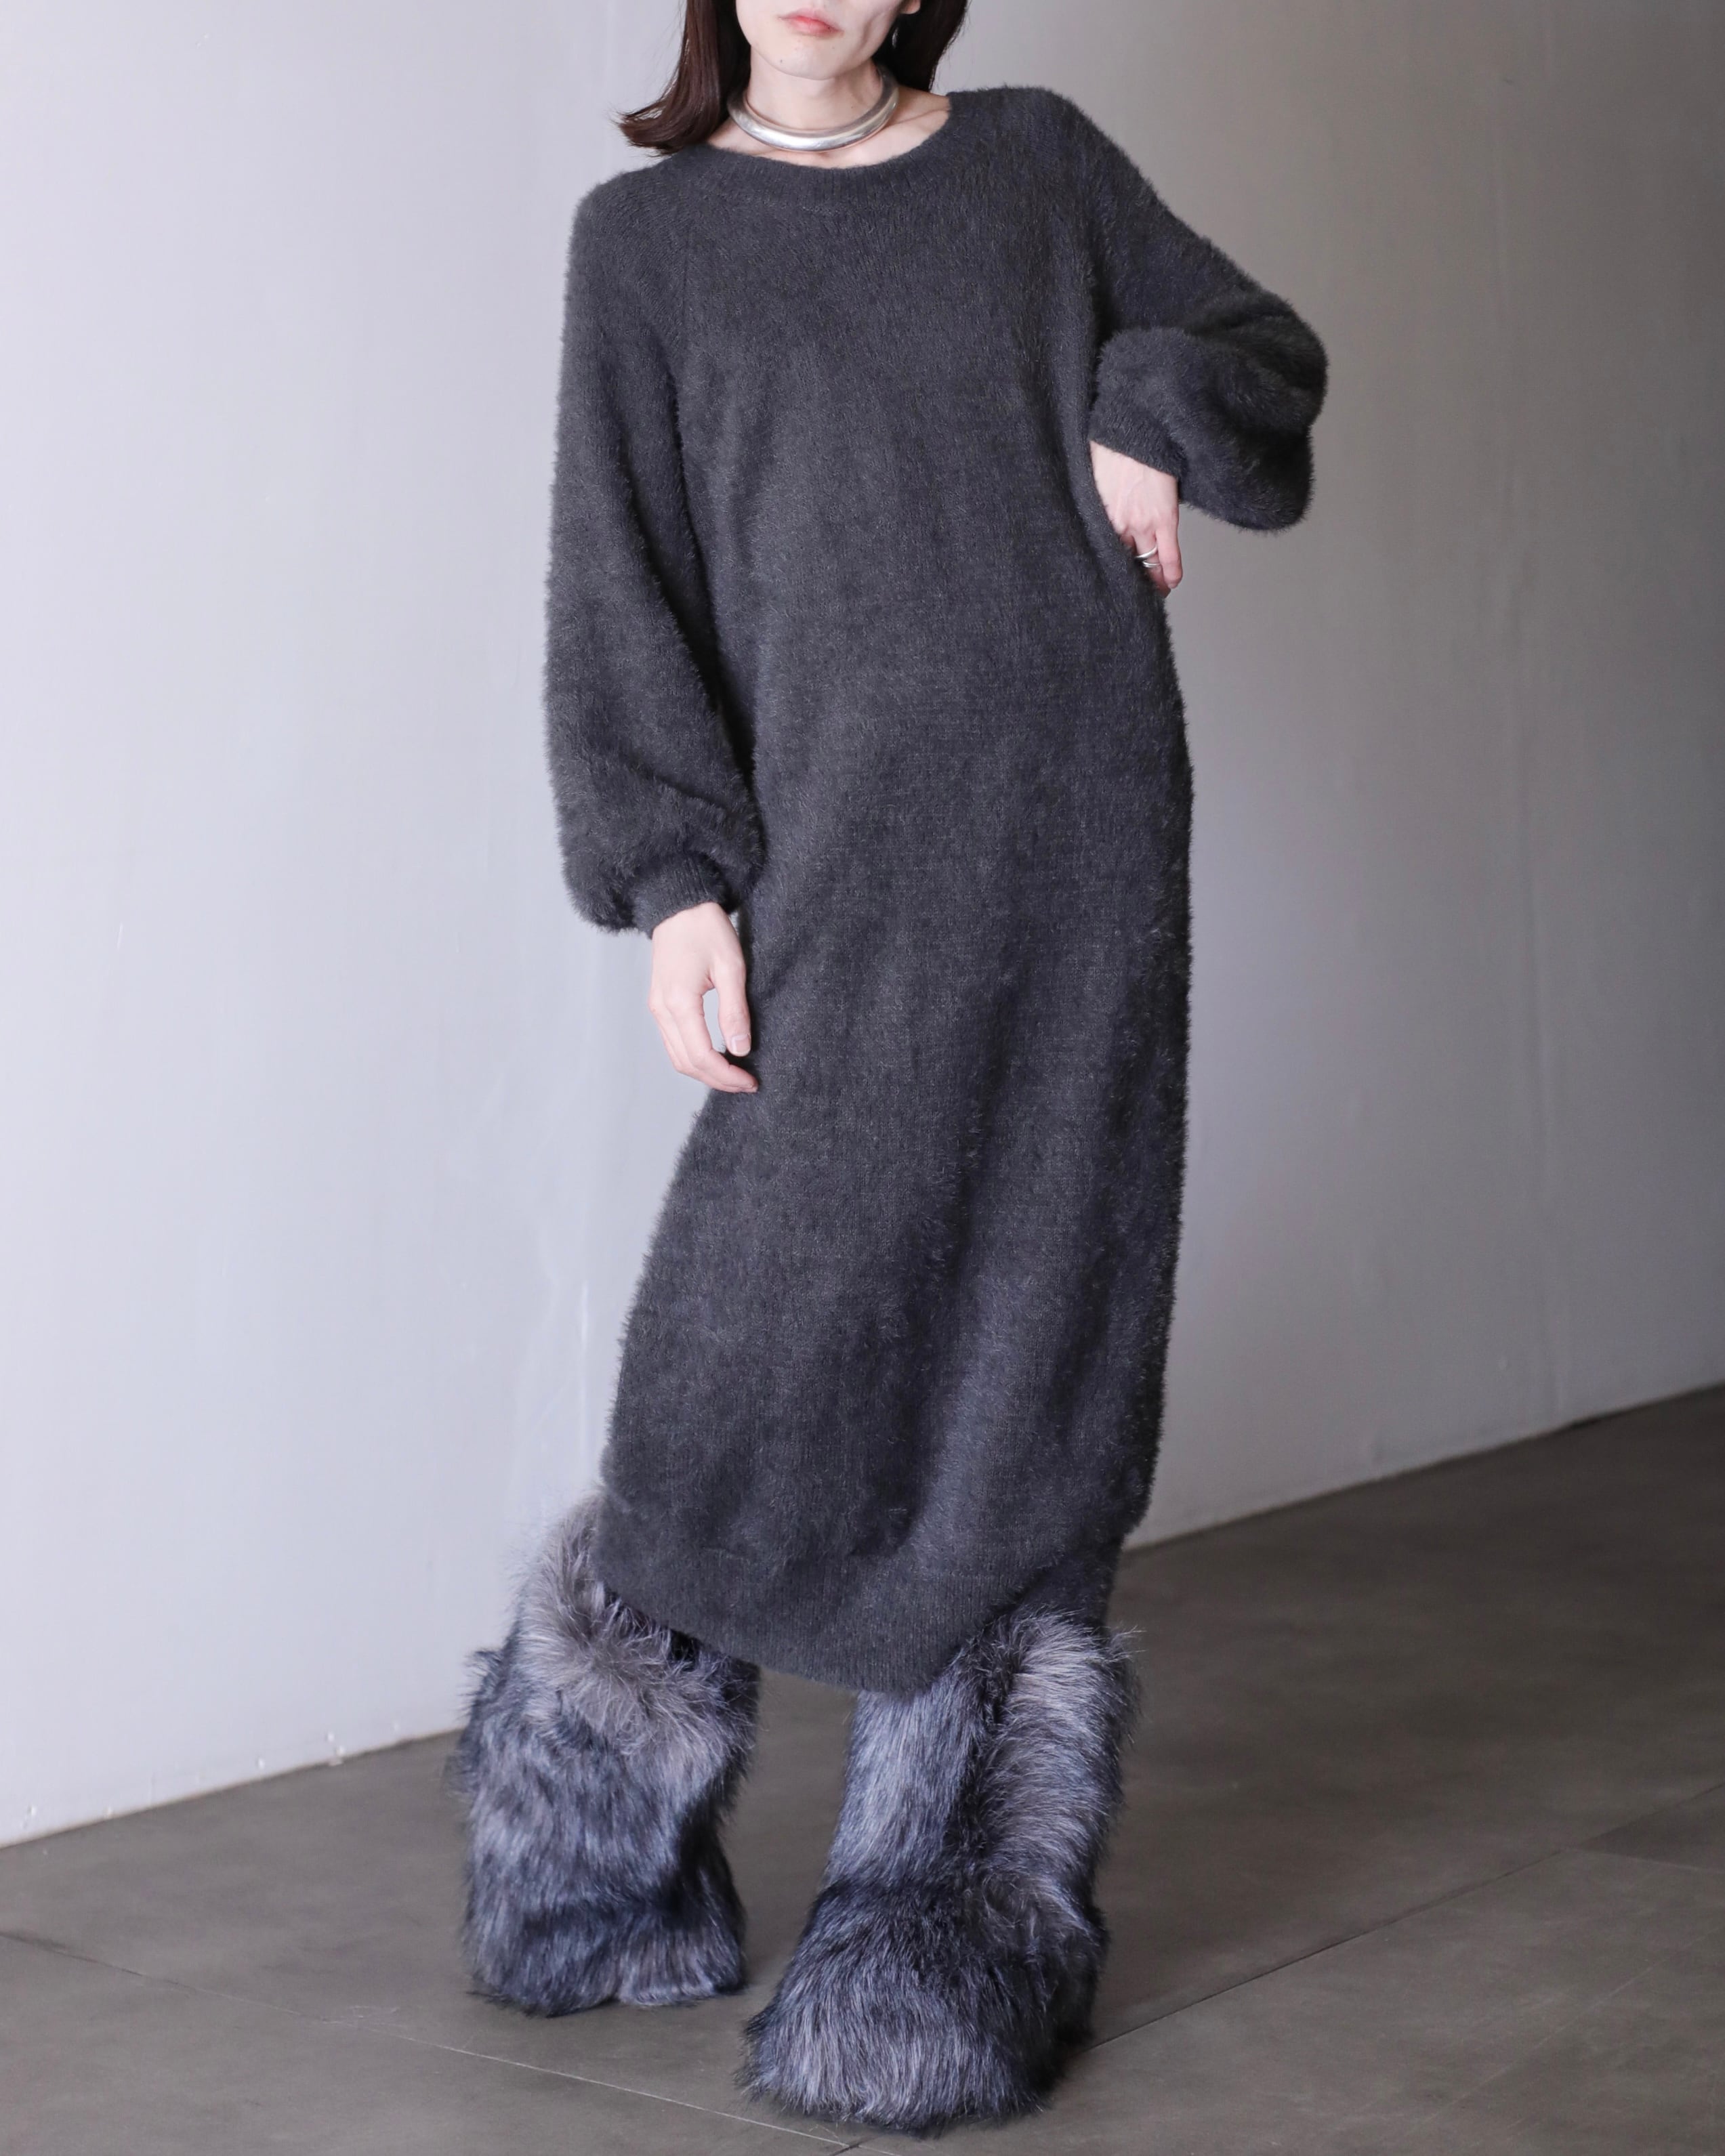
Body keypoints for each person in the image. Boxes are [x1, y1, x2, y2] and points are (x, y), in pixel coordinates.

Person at [454, 0, 1327, 2133]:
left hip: (1078, 853)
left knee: (1033, 1348)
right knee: (742, 1363)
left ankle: (933, 1966)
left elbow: (1256, 344)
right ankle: (585, 1858)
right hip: (828, 867)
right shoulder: (647, 243)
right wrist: (676, 883)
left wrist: (1144, 404)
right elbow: (620, 580)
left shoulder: (1034, 164)